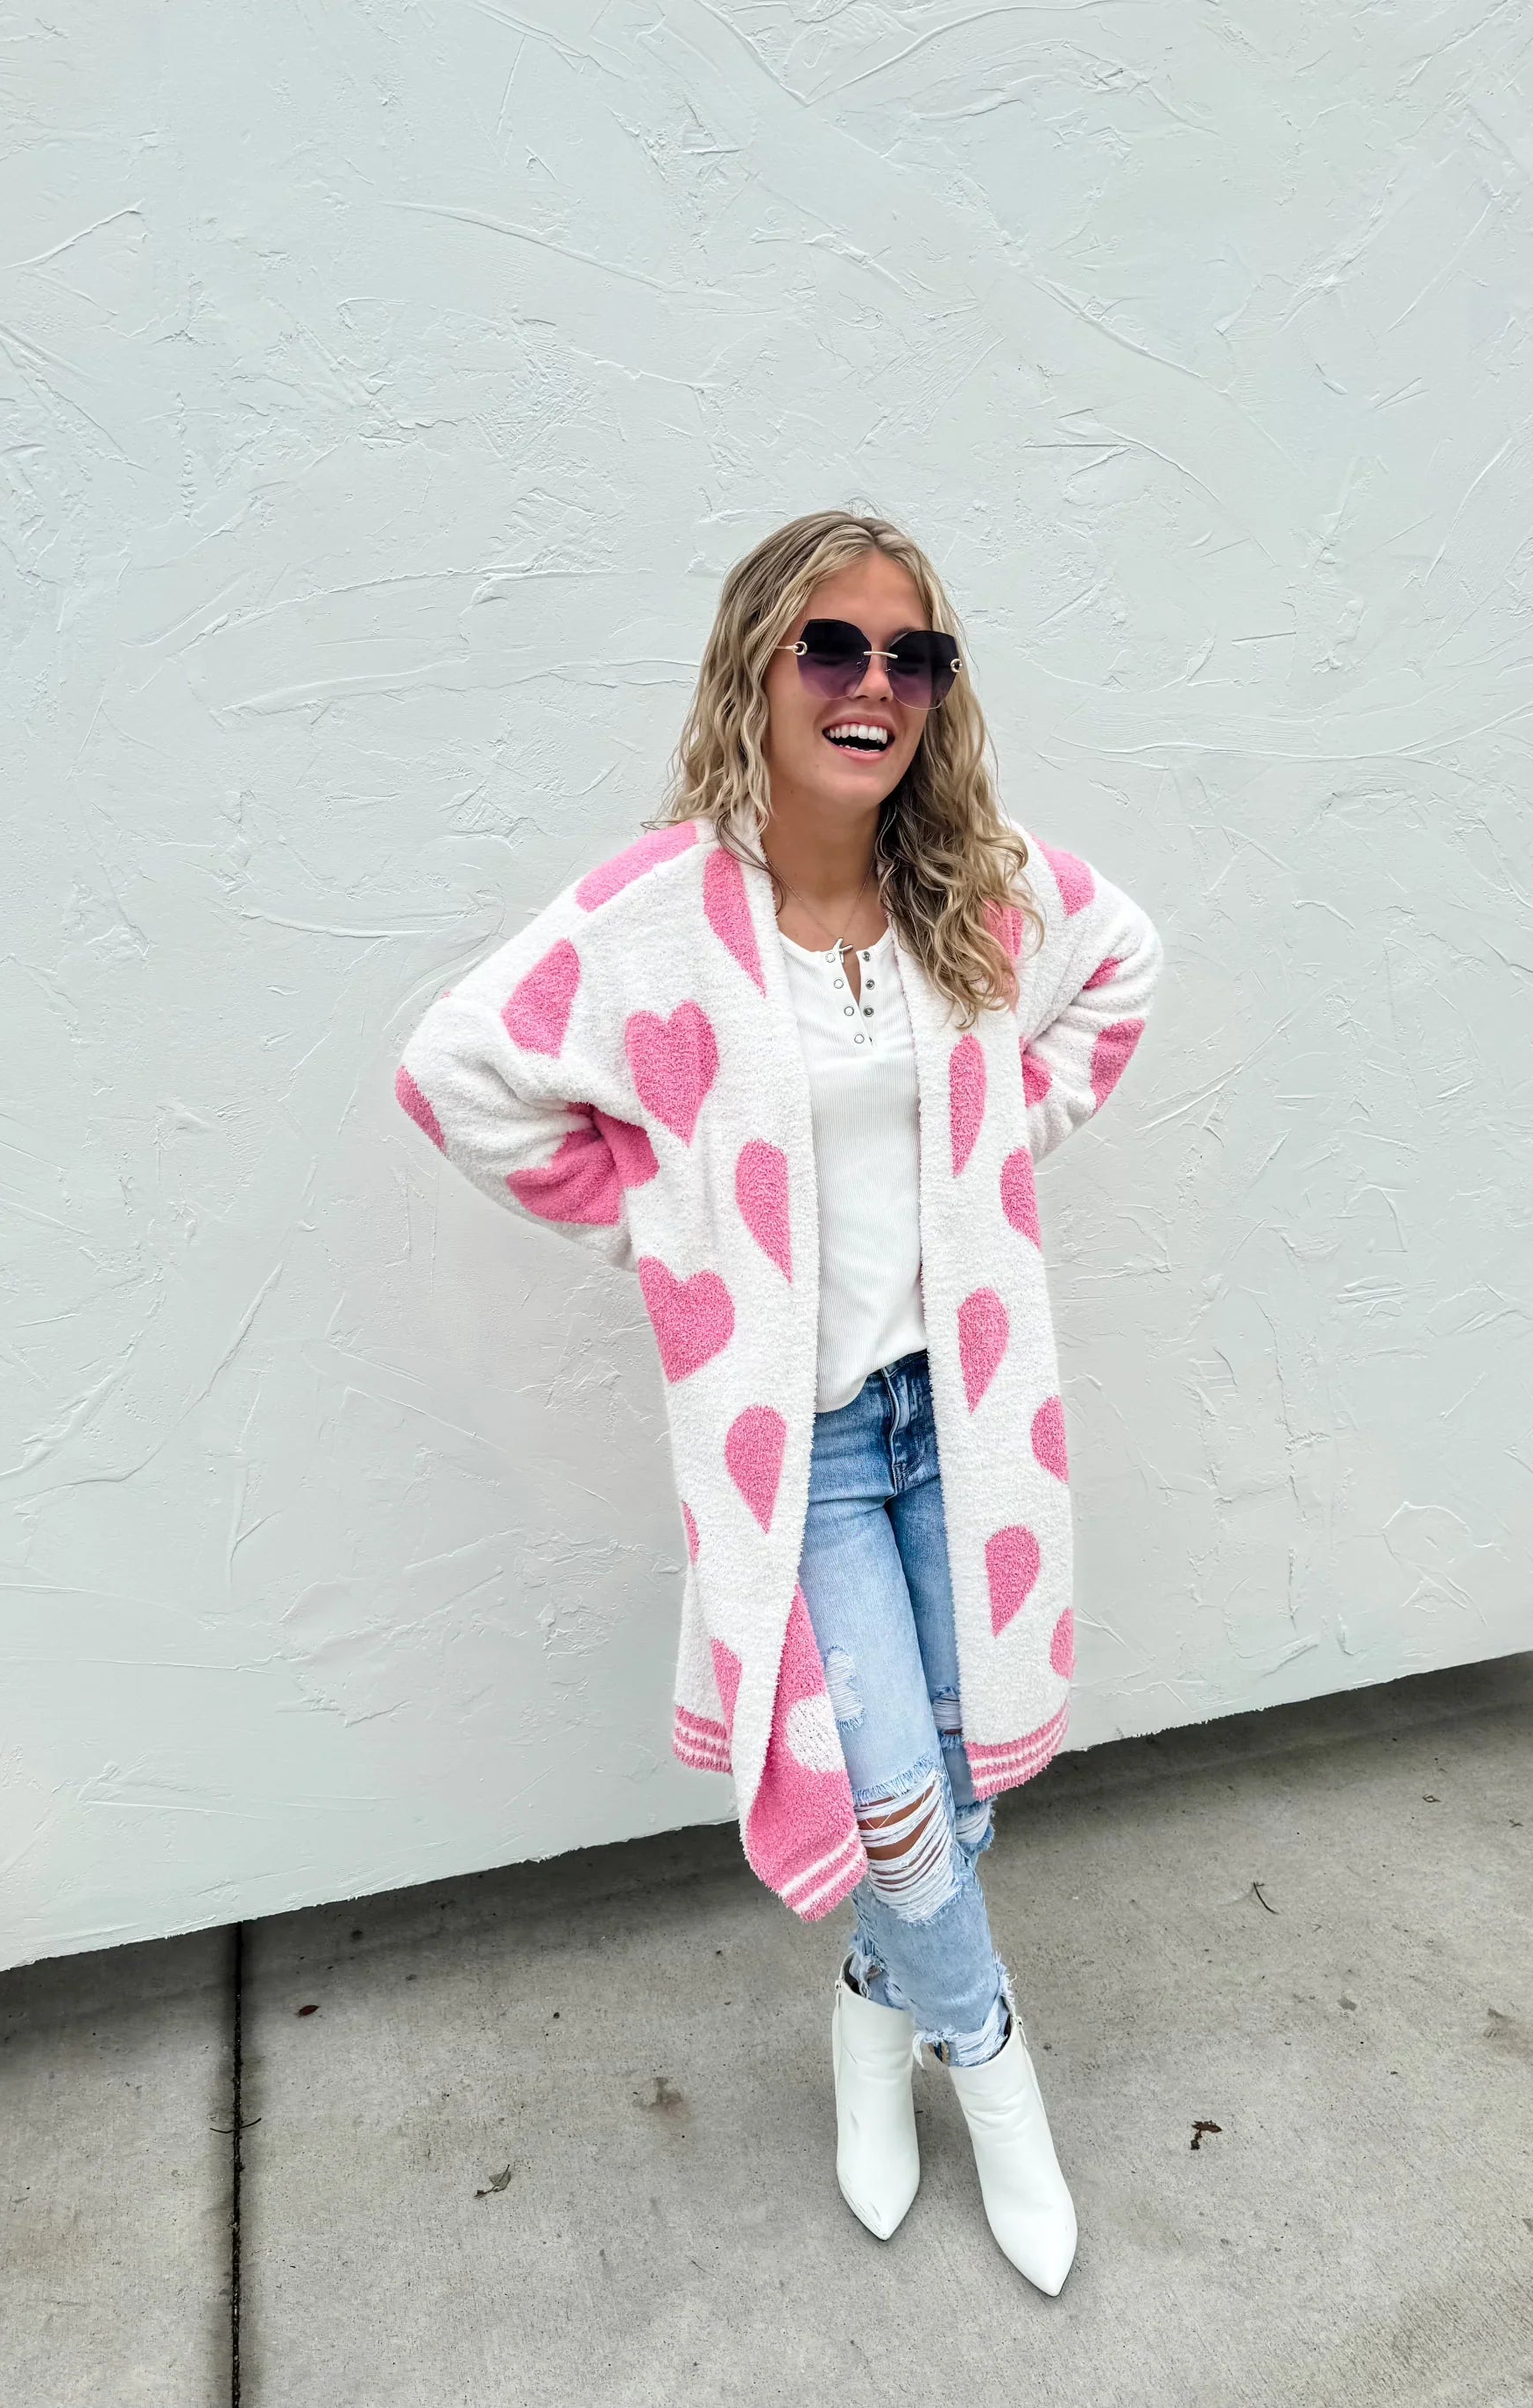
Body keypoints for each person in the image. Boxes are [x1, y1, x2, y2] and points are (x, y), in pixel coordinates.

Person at [395, 509, 1164, 2293]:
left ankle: (868, 2010)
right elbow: (456, 1077)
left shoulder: (975, 888)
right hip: (805, 1449)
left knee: (954, 1770)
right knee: (891, 1790)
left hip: (962, 1422)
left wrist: (1007, 1142)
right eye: (833, 644)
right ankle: (994, 2069)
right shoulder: (657, 915)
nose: (872, 682)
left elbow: (1124, 967)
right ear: (758, 664)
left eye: (914, 655)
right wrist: (665, 1228)